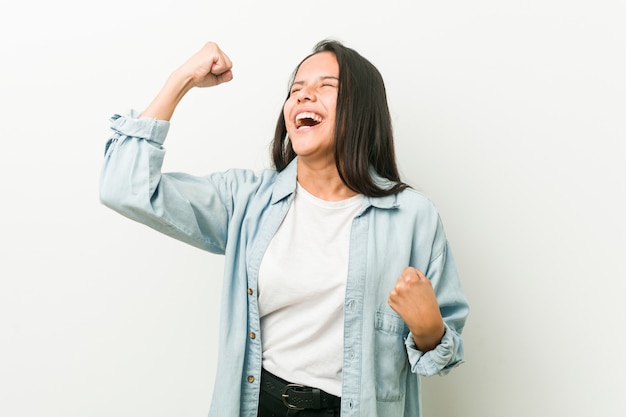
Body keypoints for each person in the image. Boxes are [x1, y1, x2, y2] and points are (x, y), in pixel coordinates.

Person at [99, 39, 469, 417]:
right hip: (260, 405)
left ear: (361, 111)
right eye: (296, 90)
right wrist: (181, 79)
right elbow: (124, 188)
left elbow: (443, 356)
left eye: (326, 86)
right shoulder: (246, 200)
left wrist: (429, 330)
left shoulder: (412, 216)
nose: (304, 96)